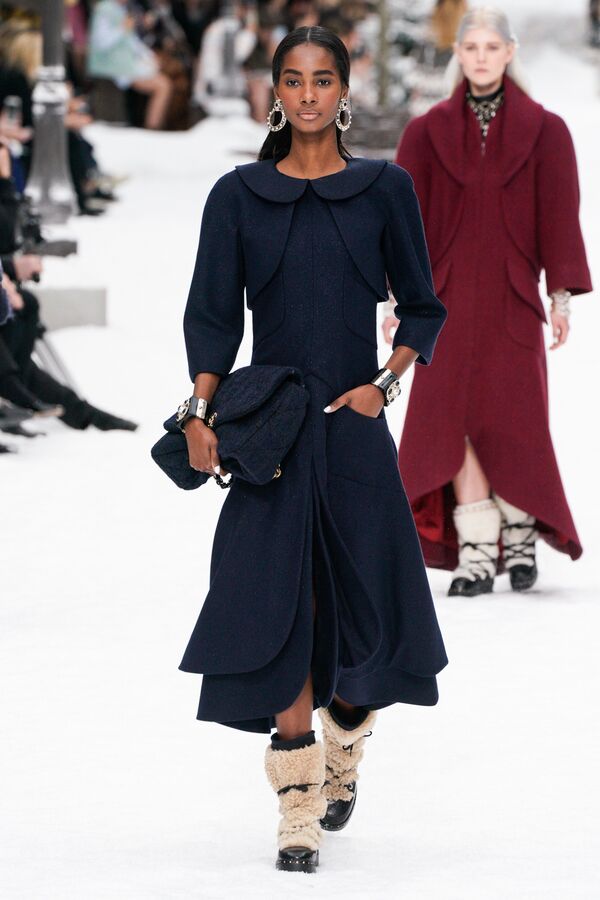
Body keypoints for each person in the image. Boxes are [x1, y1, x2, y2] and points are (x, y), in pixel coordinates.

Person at [176, 25, 448, 874]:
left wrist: (383, 387)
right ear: (274, 92)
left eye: (322, 80)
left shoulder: (385, 189)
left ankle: (347, 742)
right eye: (292, 80)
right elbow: (213, 316)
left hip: (353, 431)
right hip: (272, 434)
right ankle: (297, 805)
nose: (307, 95)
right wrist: (198, 412)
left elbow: (423, 306)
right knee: (279, 611)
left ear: (344, 90)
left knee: (365, 620)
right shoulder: (237, 196)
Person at [385, 7, 592, 597]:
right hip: (443, 304)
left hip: (512, 300)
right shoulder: (425, 132)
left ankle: (520, 537)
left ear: (509, 51)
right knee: (454, 426)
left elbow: (559, 218)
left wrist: (560, 297)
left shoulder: (546, 131)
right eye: (470, 47)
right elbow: (404, 225)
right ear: (459, 54)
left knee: (514, 421)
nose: (480, 57)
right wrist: (397, 300)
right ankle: (477, 552)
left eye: (490, 47)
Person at [87, 0, 173, 129]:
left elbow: (132, 41)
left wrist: (150, 56)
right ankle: (152, 129)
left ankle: (153, 127)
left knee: (163, 80)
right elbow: (101, 43)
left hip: (126, 64)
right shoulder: (104, 9)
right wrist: (122, 29)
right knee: (163, 85)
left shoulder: (121, 10)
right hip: (113, 67)